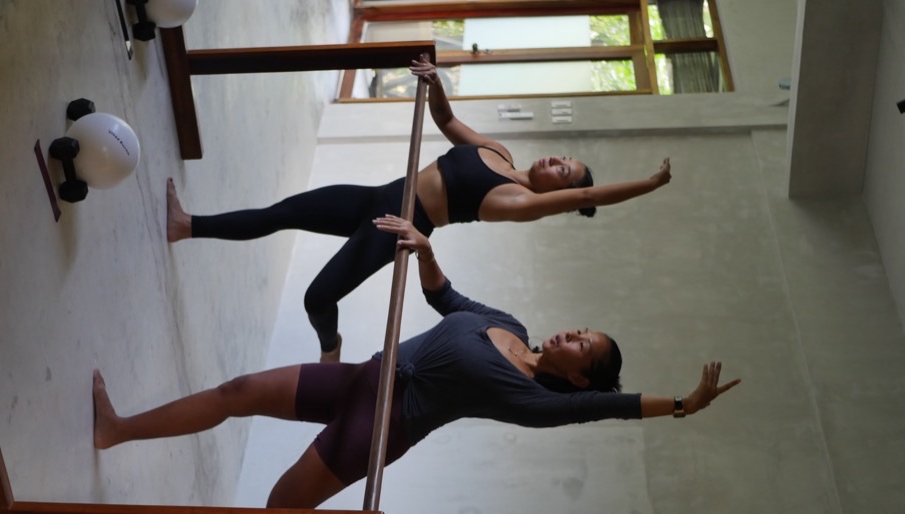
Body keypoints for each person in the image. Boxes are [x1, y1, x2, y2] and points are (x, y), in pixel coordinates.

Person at [93, 215, 740, 514]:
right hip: (361, 378)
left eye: (584, 346)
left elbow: (614, 407)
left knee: (281, 499)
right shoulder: (507, 324)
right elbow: (444, 296)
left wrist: (683, 404)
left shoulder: (537, 401)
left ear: (578, 374)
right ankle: (118, 429)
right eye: (582, 330)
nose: (574, 333)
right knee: (238, 392)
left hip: (381, 425)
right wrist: (423, 247)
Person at [165, 59, 673, 362]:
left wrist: (648, 184)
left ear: (556, 193)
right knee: (284, 210)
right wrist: (435, 83)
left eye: (563, 170)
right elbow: (449, 123)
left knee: (316, 298)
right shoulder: (499, 152)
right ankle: (186, 226)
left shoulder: (520, 204)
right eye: (563, 158)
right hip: (377, 195)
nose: (556, 162)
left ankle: (330, 347)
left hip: (395, 225)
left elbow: (588, 197)